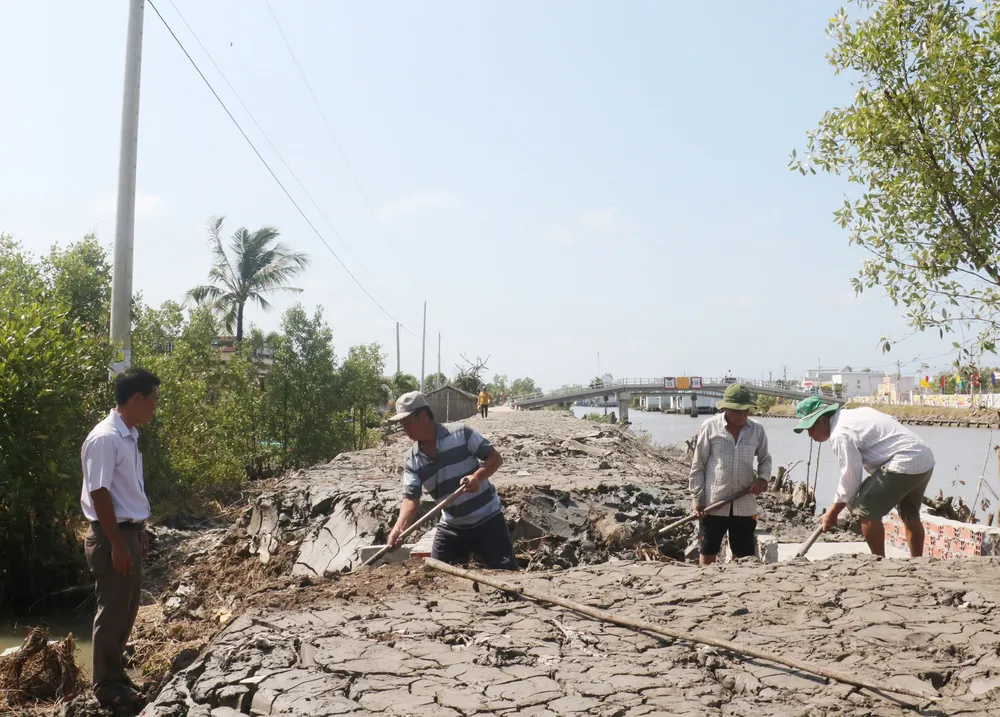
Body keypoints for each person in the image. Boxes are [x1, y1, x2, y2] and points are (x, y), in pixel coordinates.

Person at [81, 367, 160, 709]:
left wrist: (137, 532)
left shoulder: (129, 434)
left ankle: (117, 675)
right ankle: (105, 686)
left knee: (127, 608)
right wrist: (115, 543)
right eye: (153, 400)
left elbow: (125, 490)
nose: (155, 408)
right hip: (110, 535)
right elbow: (99, 495)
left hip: (128, 532)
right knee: (112, 609)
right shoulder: (105, 438)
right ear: (136, 399)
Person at [387, 391, 517, 570]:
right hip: (452, 526)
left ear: (423, 416)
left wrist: (477, 477)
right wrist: (398, 529)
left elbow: (495, 458)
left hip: (488, 519)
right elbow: (411, 499)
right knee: (435, 575)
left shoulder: (461, 434)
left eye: (407, 423)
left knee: (506, 574)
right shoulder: (412, 459)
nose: (405, 429)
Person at [793, 397, 935, 557]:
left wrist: (832, 513)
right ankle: (917, 561)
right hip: (924, 458)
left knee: (866, 511)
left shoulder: (840, 434)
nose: (810, 435)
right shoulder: (856, 413)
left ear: (823, 420)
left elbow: (850, 479)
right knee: (910, 513)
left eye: (810, 428)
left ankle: (878, 562)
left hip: (903, 461)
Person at [689, 384, 772, 565]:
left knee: (742, 556)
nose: (742, 416)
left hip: (744, 506)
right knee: (708, 552)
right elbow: (698, 466)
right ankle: (706, 587)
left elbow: (765, 459)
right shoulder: (710, 427)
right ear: (726, 408)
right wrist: (697, 501)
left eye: (745, 411)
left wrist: (762, 479)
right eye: (736, 411)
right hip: (713, 504)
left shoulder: (757, 430)